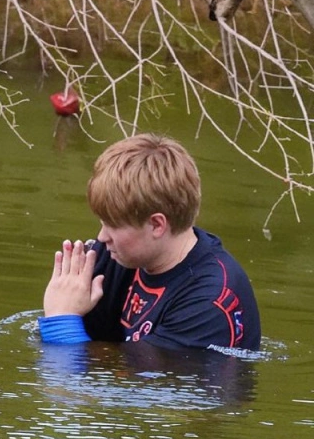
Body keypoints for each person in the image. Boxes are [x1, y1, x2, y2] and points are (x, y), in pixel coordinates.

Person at [40, 133, 261, 350]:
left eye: (113, 225)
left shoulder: (208, 304)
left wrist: (60, 321)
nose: (101, 237)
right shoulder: (117, 256)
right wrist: (65, 310)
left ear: (156, 225)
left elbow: (122, 374)